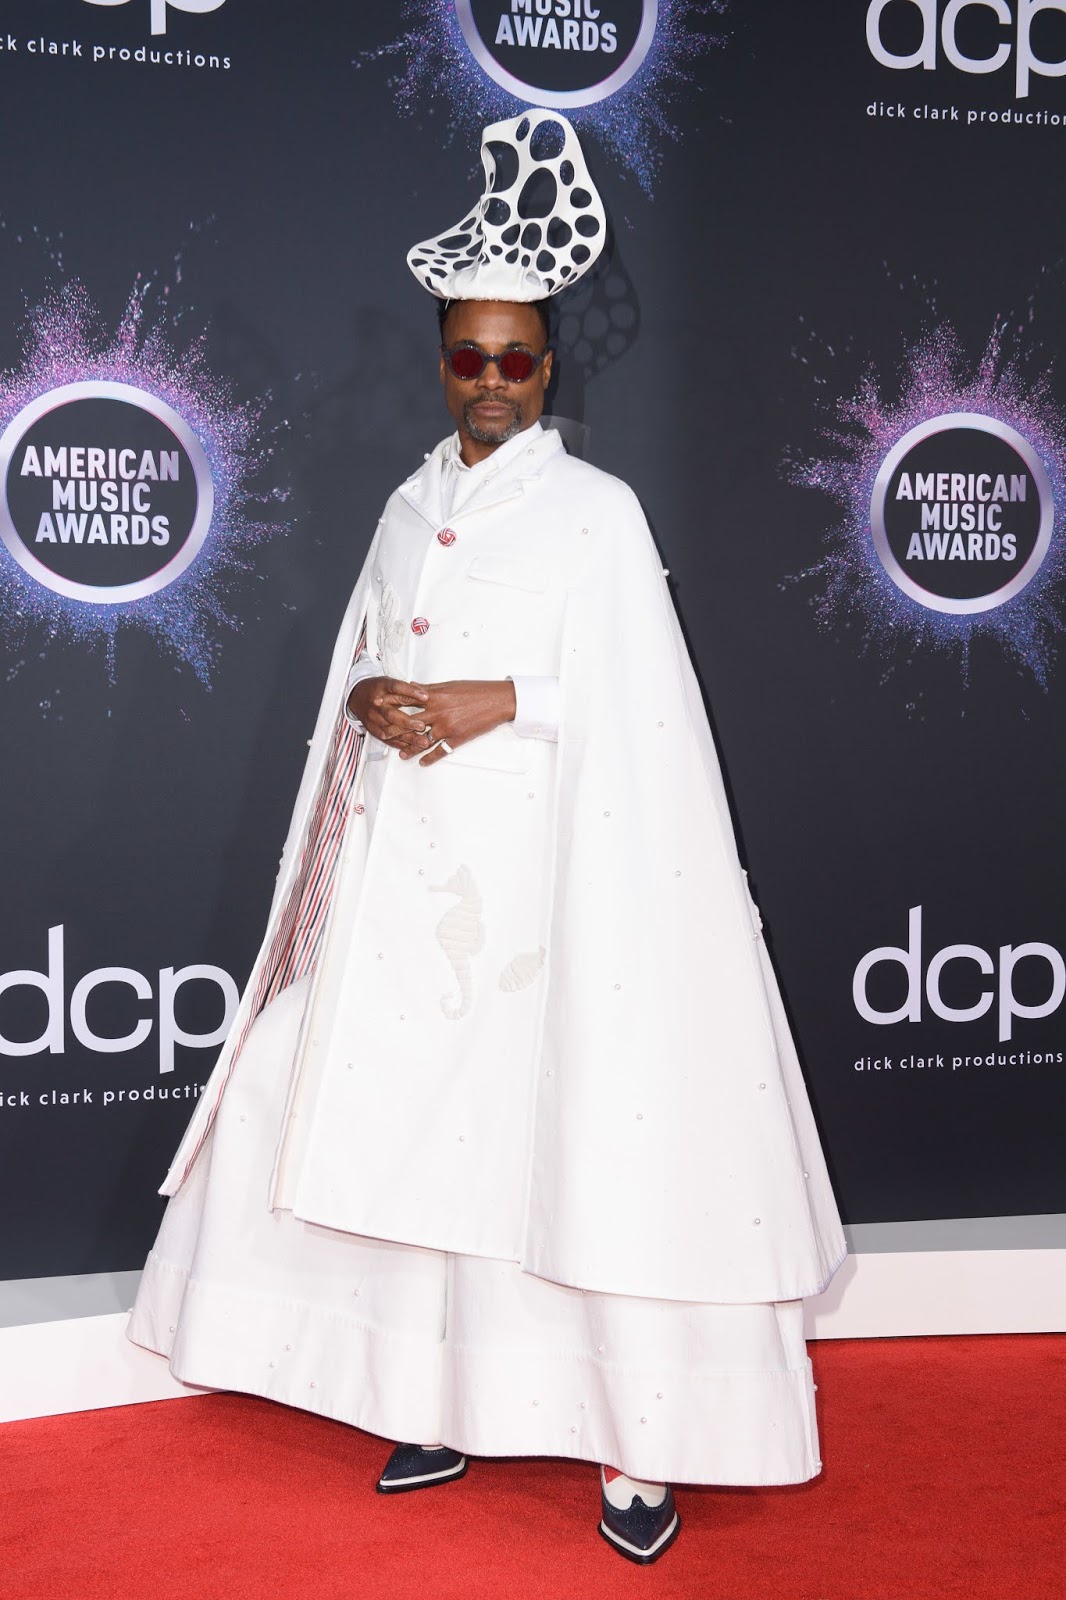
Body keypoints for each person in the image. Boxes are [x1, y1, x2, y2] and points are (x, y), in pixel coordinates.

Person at [128, 110, 844, 1566]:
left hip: (558, 902)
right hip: (414, 893)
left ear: (550, 366)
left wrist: (496, 699)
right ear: (442, 360)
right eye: (471, 358)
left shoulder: (595, 514)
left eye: (518, 359)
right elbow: (369, 655)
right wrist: (372, 696)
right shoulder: (408, 506)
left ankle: (641, 1451)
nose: (495, 382)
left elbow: (646, 708)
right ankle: (438, 1396)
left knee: (578, 1152)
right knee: (419, 1149)